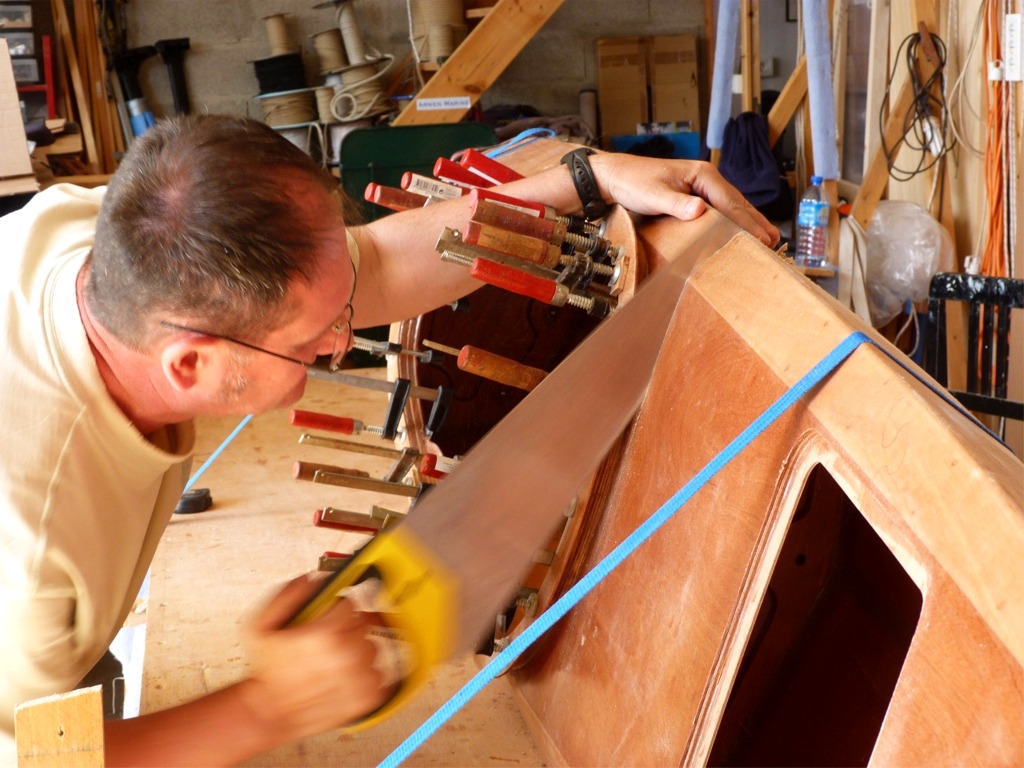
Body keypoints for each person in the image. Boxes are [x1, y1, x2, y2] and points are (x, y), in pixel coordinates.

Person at [0, 114, 777, 766]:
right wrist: (269, 708)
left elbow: (368, 265)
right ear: (191, 362)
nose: (343, 344)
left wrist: (584, 180)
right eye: (313, 343)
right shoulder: (33, 537)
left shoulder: (114, 240)